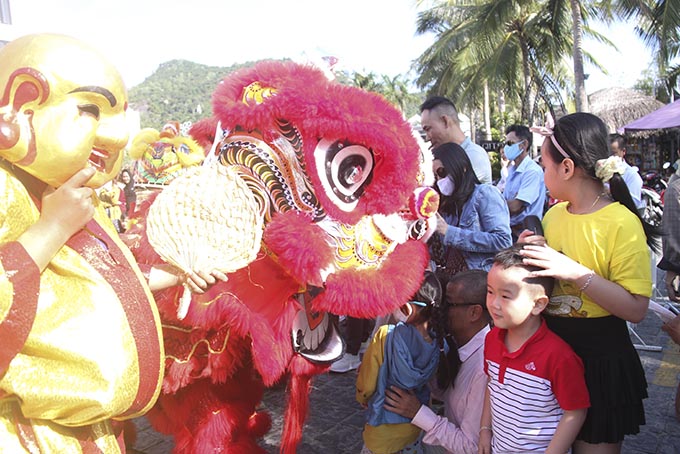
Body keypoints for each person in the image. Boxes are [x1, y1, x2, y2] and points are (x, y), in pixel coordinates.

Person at [0, 33, 224, 452]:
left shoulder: (70, 191)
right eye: (89, 109)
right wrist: (51, 228)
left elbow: (83, 284)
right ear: (21, 104)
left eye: (118, 114)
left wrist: (173, 274)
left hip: (94, 433)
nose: (118, 136)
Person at [522, 112, 659, 453]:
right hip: (551, 353)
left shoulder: (621, 222)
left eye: (544, 165)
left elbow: (636, 308)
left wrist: (572, 271)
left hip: (599, 362)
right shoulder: (553, 215)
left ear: (566, 168)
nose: (543, 173)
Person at [480, 246, 590, 453]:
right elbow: (492, 384)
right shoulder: (491, 339)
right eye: (490, 291)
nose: (494, 303)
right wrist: (485, 430)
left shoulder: (559, 356)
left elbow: (575, 411)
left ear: (538, 304)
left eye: (505, 296)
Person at [384, 270, 491, 453]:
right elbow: (446, 393)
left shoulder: (483, 368)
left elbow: (471, 447)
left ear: (474, 312)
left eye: (448, 304)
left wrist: (417, 412)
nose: (438, 309)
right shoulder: (452, 342)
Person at [356, 271, 445, 454]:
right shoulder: (440, 341)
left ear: (407, 307)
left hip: (383, 424)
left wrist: (363, 397)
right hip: (414, 421)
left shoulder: (385, 336)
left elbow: (367, 382)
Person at [430, 142, 512, 274]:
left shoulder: (485, 194)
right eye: (435, 176)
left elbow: (503, 241)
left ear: (462, 168)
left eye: (442, 172)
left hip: (480, 280)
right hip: (453, 280)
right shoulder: (448, 204)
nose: (439, 180)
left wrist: (449, 232)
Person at [420, 97, 492, 184]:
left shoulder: (474, 155)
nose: (427, 138)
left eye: (428, 129)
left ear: (445, 121)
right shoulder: (443, 157)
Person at [502, 125, 547, 239]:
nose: (506, 147)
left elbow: (515, 207)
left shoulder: (532, 171)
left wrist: (496, 204)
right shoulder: (512, 170)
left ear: (524, 144)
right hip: (510, 231)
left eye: (510, 143)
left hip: (525, 234)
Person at [609, 134, 644, 210]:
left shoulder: (631, 175)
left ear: (623, 151)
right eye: (607, 154)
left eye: (613, 153)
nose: (610, 157)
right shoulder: (598, 172)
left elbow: (633, 203)